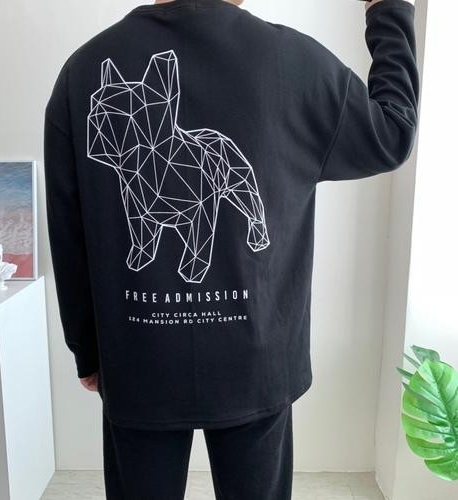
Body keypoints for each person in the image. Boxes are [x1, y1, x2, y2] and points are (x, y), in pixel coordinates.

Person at [44, 0, 416, 497]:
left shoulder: (84, 69)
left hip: (137, 353)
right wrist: (388, 12)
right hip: (256, 355)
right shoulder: (292, 61)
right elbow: (392, 133)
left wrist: (87, 348)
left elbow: (68, 228)